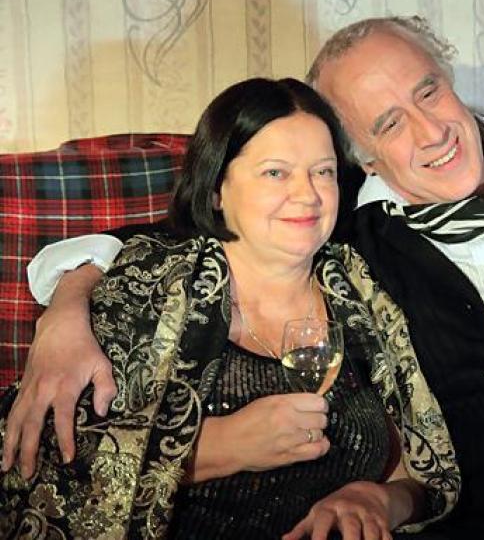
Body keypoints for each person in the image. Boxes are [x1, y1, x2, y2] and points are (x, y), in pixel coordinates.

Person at [4, 16, 484, 538]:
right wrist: (66, 315)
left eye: (427, 92)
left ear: (449, 78)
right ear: (361, 156)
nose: (432, 131)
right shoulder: (341, 228)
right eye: (388, 123)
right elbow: (175, 235)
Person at [0, 77, 459, 539]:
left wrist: (381, 499)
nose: (308, 194)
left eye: (323, 172)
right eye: (275, 173)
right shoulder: (146, 287)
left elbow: (420, 466)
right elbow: (46, 467)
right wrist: (219, 447)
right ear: (217, 188)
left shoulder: (366, 288)